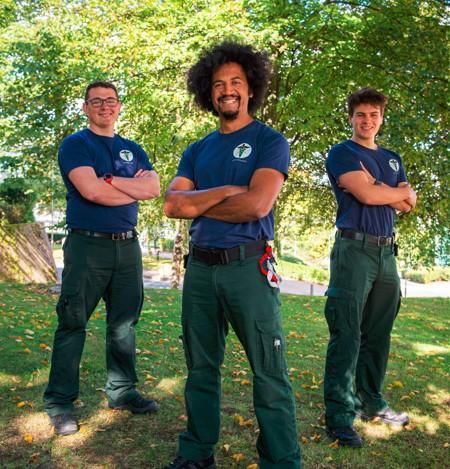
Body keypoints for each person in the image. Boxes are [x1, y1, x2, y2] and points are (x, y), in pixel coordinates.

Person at [163, 42, 301, 469]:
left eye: (236, 82)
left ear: (251, 88)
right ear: (208, 90)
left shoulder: (268, 141)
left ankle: (281, 460)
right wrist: (225, 191)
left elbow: (258, 205)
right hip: (201, 270)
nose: (227, 90)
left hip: (249, 268)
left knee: (269, 370)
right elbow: (172, 206)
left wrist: (198, 202)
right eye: (219, 83)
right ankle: (197, 452)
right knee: (201, 368)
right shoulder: (198, 149)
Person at [44, 81, 160, 436]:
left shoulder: (132, 148)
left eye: (110, 101)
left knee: (124, 324)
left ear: (119, 106)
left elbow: (153, 190)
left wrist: (109, 181)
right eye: (96, 101)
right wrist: (127, 187)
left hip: (127, 247)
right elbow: (90, 191)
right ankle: (60, 403)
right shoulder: (76, 145)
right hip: (87, 246)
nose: (104, 106)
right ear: (86, 108)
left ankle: (122, 392)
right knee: (73, 322)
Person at [323, 87, 417, 447]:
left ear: (382, 118)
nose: (367, 121)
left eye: (374, 115)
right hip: (354, 250)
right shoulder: (342, 152)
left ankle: (372, 403)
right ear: (351, 118)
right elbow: (367, 196)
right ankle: (339, 415)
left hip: (386, 254)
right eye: (361, 114)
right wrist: (388, 191)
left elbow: (410, 204)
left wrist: (381, 186)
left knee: (378, 335)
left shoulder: (392, 158)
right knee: (347, 332)